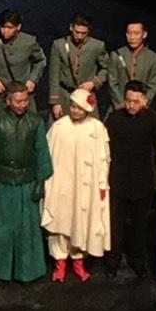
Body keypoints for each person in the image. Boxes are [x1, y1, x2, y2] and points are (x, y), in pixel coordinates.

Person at [0, 82, 53, 283]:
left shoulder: (35, 122)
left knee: (25, 231)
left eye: (25, 101)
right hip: (1, 182)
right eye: (18, 101)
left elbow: (42, 152)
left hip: (26, 182)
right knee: (2, 231)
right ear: (8, 100)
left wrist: (40, 182)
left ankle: (26, 271)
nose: (23, 105)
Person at [42, 88, 111, 282]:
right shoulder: (59, 127)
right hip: (62, 185)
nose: (75, 111)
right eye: (72, 106)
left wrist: (102, 184)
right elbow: (48, 156)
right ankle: (60, 264)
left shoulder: (97, 128)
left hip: (85, 186)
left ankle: (78, 261)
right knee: (60, 222)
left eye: (79, 108)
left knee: (81, 222)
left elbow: (104, 159)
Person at [104, 80, 156, 277]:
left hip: (142, 181)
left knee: (140, 226)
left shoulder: (153, 120)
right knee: (115, 226)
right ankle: (113, 260)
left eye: (136, 101)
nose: (131, 105)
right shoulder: (114, 119)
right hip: (118, 180)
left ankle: (138, 260)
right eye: (128, 100)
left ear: (144, 100)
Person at [0, 9, 46, 121]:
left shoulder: (29, 41)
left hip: (22, 93)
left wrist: (32, 79)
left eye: (10, 28)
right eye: (3, 27)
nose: (5, 31)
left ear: (18, 27)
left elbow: (41, 61)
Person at [47, 13, 108, 119]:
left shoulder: (97, 46)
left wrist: (94, 82)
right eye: (77, 32)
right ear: (71, 27)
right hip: (64, 95)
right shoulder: (59, 45)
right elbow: (54, 75)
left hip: (86, 95)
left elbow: (107, 68)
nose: (79, 36)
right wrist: (55, 102)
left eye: (83, 33)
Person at [107, 20, 156, 111]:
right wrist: (122, 103)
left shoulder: (152, 57)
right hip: (119, 106)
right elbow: (112, 83)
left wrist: (143, 102)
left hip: (142, 107)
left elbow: (153, 85)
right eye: (129, 33)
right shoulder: (117, 54)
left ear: (144, 34)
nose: (132, 37)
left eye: (136, 33)